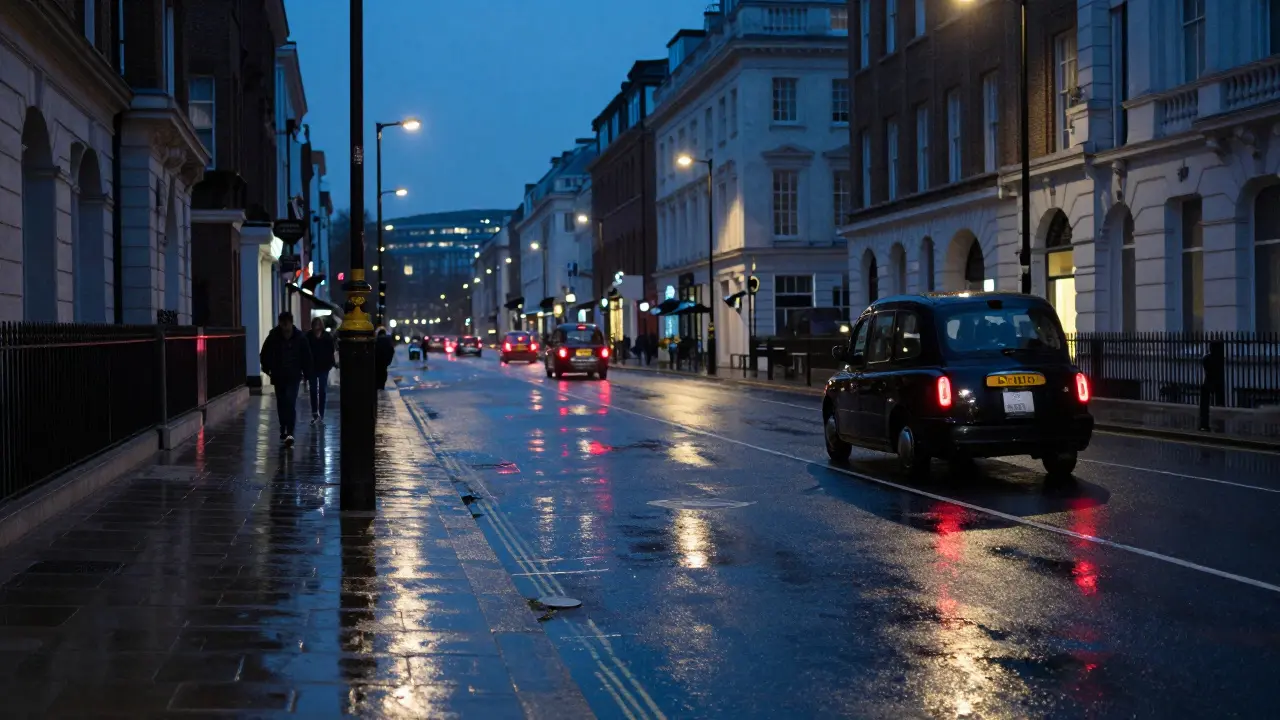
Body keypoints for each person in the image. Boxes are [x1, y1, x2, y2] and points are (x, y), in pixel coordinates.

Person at [260, 311, 313, 446]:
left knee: (290, 401)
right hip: (278, 375)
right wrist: (267, 368)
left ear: (291, 323)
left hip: (293, 375)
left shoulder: (300, 337)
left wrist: (307, 373)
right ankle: (283, 426)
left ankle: (289, 431)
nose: (285, 327)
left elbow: (306, 356)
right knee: (282, 402)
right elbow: (265, 353)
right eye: (282, 324)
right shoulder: (274, 336)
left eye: (287, 324)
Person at [305, 317, 336, 425]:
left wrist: (332, 362)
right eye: (315, 324)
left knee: (322, 390)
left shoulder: (327, 337)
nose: (317, 327)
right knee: (313, 390)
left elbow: (331, 350)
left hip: (324, 367)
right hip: (312, 367)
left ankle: (321, 415)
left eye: (319, 324)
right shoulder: (308, 336)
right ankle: (315, 413)